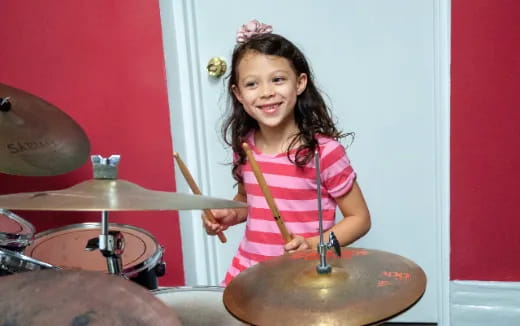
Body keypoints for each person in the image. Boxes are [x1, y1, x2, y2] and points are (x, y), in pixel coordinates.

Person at [204, 19, 371, 286]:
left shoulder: (324, 153)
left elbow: (359, 219)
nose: (267, 92)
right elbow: (249, 201)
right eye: (252, 84)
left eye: (278, 80)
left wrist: (313, 245)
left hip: (303, 276)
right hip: (249, 271)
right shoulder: (245, 146)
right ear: (238, 94)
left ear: (300, 83)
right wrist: (231, 214)